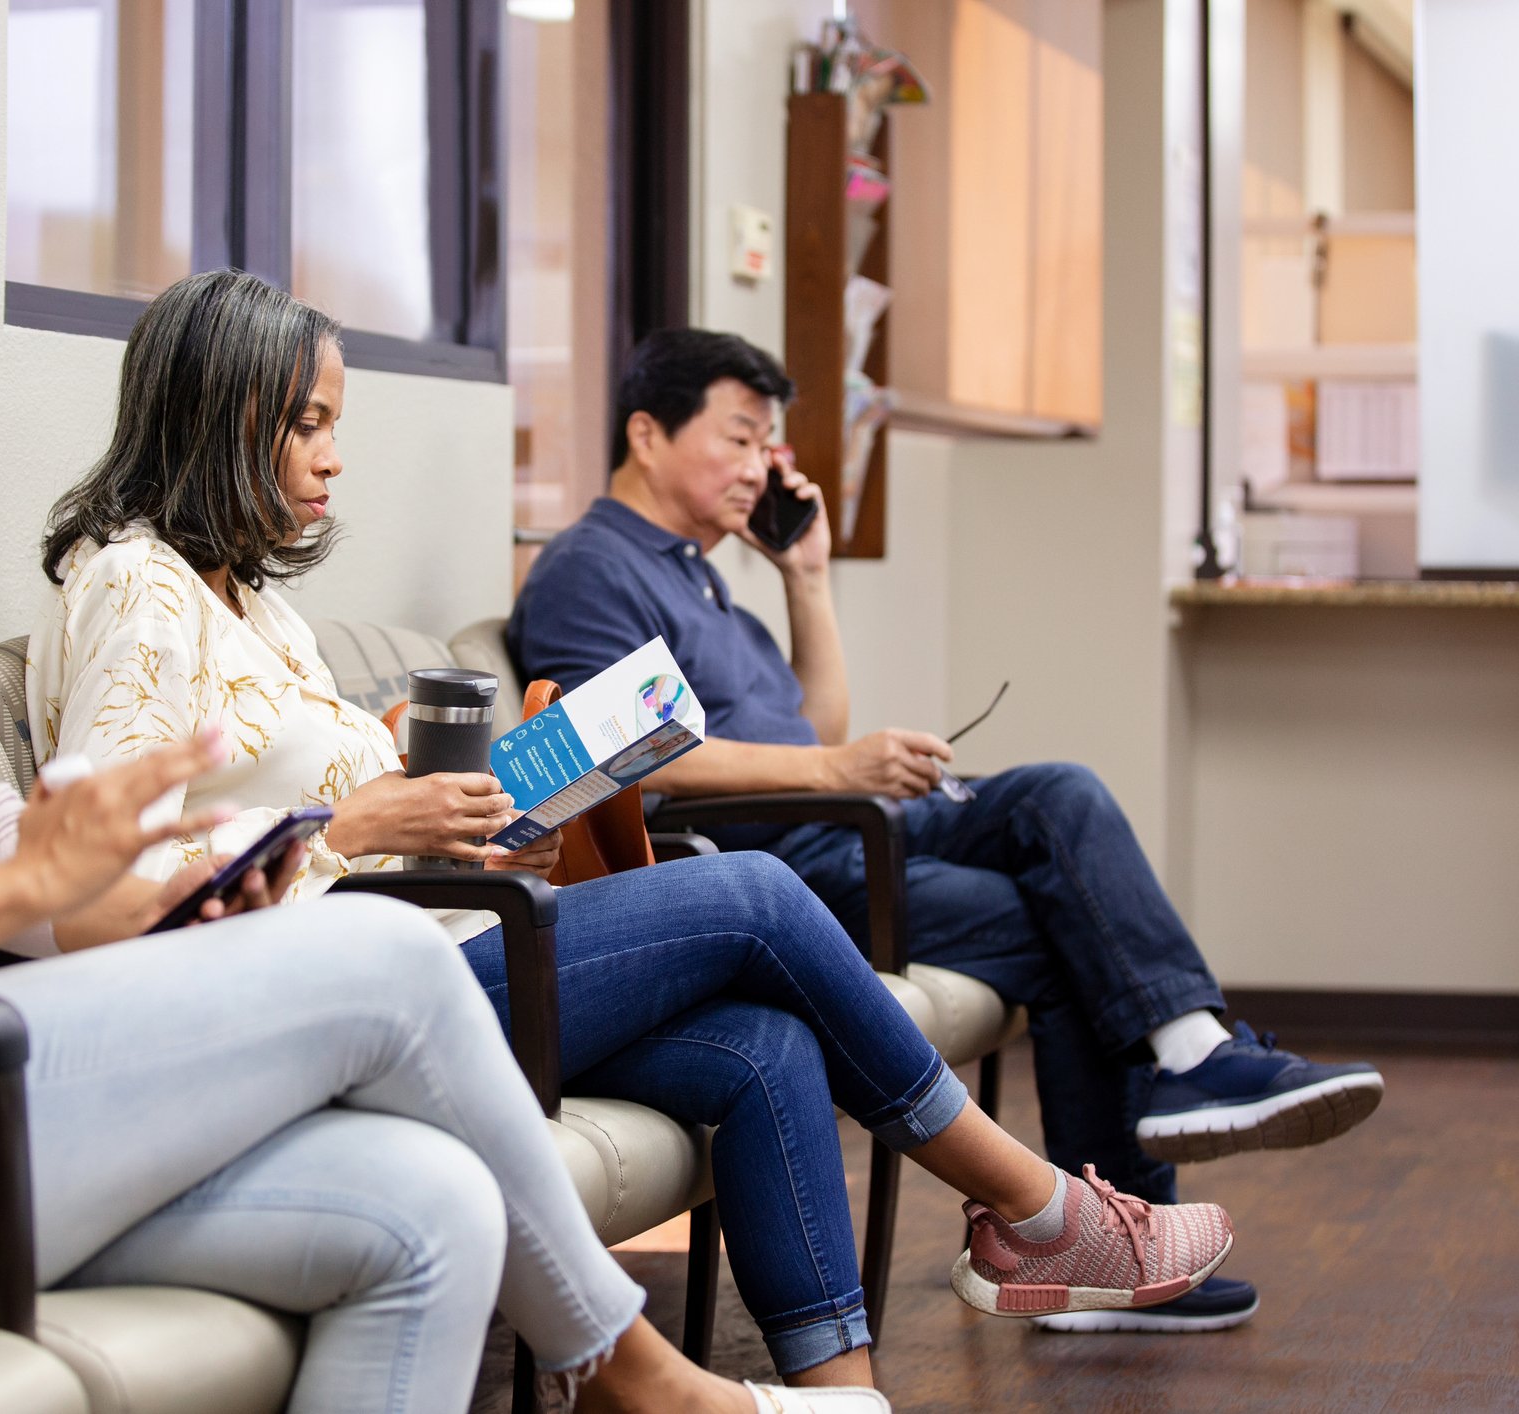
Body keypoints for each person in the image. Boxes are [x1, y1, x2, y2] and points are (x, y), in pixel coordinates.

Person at [0, 172, 872, 1414]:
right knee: (386, 957)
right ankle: (652, 1381)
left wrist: (156, 883)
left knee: (435, 1208)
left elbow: (1, 846)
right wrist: (22, 891)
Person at [27, 268, 1237, 1390]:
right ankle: (1033, 1210)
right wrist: (358, 817)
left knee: (766, 1045)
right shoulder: (133, 586)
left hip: (431, 943)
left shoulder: (258, 605)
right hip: (330, 994)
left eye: (334, 424)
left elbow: (321, 817)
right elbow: (107, 886)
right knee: (758, 891)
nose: (334, 460)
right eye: (306, 425)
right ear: (206, 413)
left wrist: (475, 827)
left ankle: (844, 1400)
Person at [508, 327, 1388, 1335]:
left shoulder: (707, 577)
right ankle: (1122, 1230)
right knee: (1058, 919)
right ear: (647, 434)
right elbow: (600, 755)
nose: (760, 468)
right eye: (740, 438)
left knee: (1061, 791)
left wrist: (807, 580)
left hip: (842, 824)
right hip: (781, 863)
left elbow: (813, 723)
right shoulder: (592, 568)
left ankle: (1189, 1055)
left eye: (768, 447)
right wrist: (832, 773)